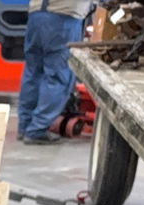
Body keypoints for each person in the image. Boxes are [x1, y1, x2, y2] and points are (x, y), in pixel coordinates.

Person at [18, 0, 91, 144]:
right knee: (58, 76)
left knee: (33, 72)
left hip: (36, 15)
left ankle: (25, 126)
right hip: (63, 18)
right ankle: (37, 130)